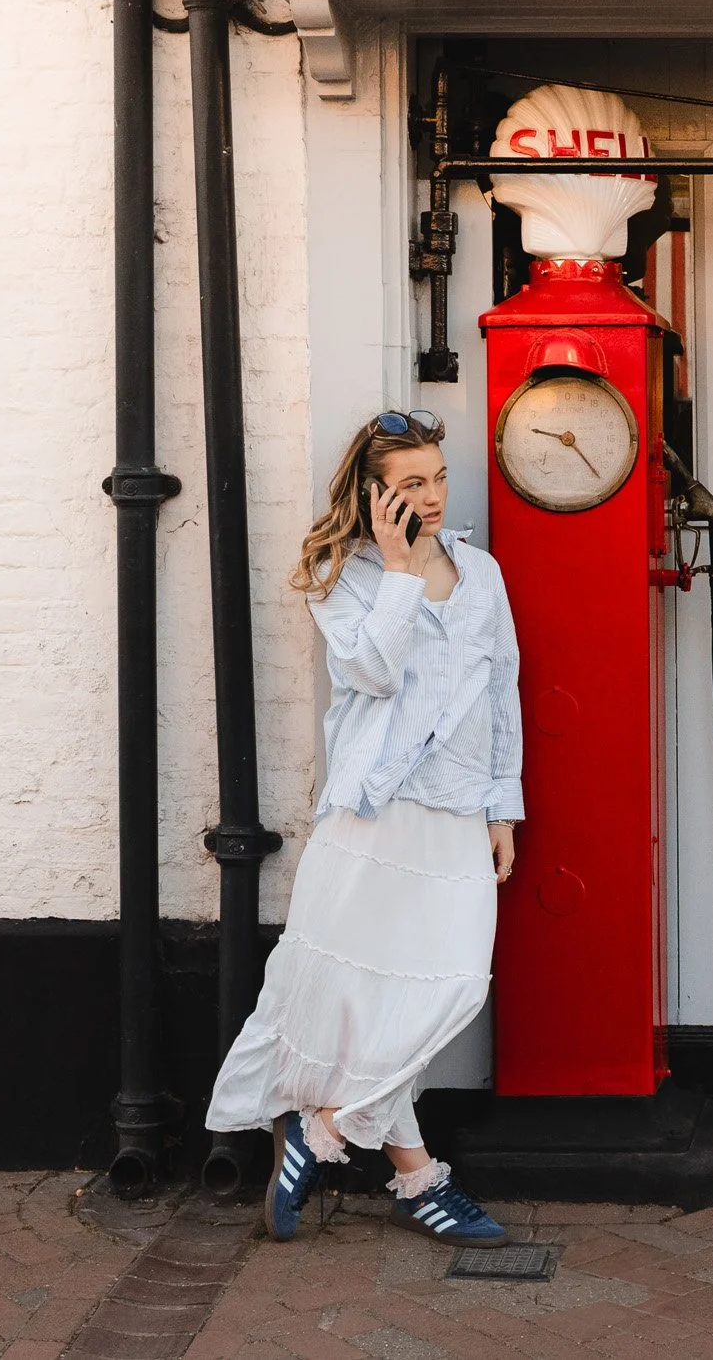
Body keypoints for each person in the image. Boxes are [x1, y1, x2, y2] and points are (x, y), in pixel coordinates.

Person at [206, 409, 522, 1246]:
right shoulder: (339, 573)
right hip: (374, 809)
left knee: (453, 984)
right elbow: (371, 671)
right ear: (374, 492)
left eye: (438, 477)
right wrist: (396, 568)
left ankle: (326, 1130)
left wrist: (503, 807)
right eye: (411, 482)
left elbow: (500, 695)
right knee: (373, 997)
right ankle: (418, 1180)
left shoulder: (481, 572)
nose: (430, 493)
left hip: (455, 810)